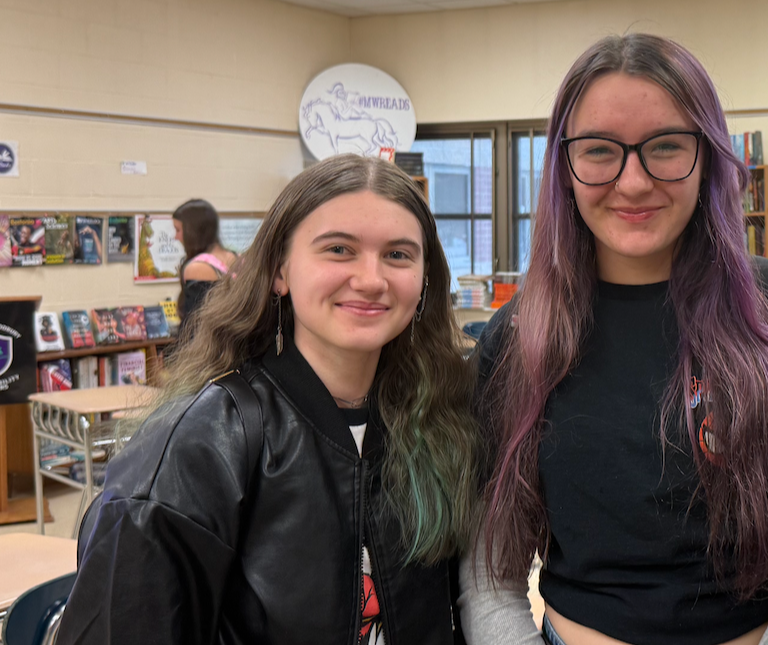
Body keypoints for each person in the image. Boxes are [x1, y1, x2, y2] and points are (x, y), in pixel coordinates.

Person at [462, 33, 768, 645]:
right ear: (564, 164)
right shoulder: (519, 336)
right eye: (600, 151)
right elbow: (489, 567)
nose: (632, 183)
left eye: (665, 147)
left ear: (709, 156)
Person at [58, 154, 480, 645]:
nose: (371, 279)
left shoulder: (441, 421)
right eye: (339, 249)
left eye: (399, 255)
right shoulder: (196, 449)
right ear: (280, 270)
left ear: (425, 277)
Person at [173, 198, 240, 320]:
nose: (176, 237)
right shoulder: (237, 258)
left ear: (192, 231)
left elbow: (195, 325)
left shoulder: (198, 267)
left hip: (210, 337)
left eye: (178, 230)